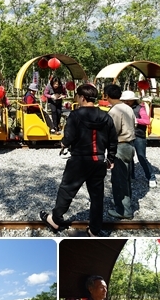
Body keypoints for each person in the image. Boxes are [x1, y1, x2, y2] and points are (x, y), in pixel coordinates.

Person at [40, 83, 117, 238]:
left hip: (79, 160)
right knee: (97, 197)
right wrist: (111, 158)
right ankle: (94, 230)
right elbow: (113, 140)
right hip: (98, 160)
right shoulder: (106, 116)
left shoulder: (75, 115)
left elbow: (68, 138)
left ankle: (55, 219)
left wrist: (63, 143)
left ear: (82, 97)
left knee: (67, 190)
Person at [103, 83, 135, 219]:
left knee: (119, 180)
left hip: (120, 146)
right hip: (130, 145)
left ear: (107, 96)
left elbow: (112, 132)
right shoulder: (128, 108)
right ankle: (124, 203)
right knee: (126, 178)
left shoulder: (115, 111)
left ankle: (123, 211)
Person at [123, 91, 157, 188]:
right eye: (125, 100)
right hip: (127, 134)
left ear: (133, 100)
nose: (126, 102)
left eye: (128, 100)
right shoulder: (124, 108)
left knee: (141, 157)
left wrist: (135, 120)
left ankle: (151, 177)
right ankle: (131, 176)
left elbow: (146, 121)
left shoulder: (140, 108)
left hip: (139, 135)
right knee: (129, 158)